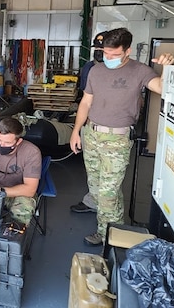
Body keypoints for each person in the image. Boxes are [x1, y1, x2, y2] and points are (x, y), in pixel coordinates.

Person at [69, 27, 174, 246]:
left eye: (114, 55)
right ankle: (116, 228)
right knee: (98, 189)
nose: (108, 58)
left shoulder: (140, 71)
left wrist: (167, 68)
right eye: (106, 53)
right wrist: (76, 131)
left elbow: (162, 89)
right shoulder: (96, 71)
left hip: (116, 140)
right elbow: (86, 102)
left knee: (108, 192)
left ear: (127, 51)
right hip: (91, 134)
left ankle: (108, 235)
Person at [70, 31, 107, 214]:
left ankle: (108, 214)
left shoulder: (119, 70)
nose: (99, 51)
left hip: (111, 129)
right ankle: (92, 201)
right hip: (90, 124)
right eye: (97, 47)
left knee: (109, 174)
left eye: (102, 47)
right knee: (92, 168)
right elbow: (85, 99)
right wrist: (78, 128)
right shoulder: (88, 68)